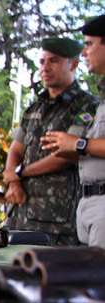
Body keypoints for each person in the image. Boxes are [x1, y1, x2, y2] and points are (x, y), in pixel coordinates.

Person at [2, 37, 98, 245]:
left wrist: (21, 172)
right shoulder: (35, 107)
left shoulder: (86, 106)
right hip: (20, 214)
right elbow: (16, 149)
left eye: (53, 61)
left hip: (56, 221)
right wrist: (14, 181)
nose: (45, 68)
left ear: (73, 64)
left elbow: (67, 155)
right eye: (42, 61)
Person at [43, 15, 105, 248]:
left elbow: (83, 145)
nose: (84, 52)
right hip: (89, 201)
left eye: (89, 44)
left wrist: (79, 144)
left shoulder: (86, 101)